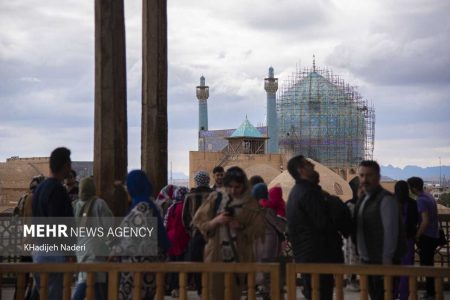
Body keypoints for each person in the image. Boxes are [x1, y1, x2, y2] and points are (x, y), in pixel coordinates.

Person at [192, 166, 265, 300]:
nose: (233, 191)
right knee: (214, 293)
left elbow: (258, 228)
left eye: (237, 187)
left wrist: (240, 226)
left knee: (234, 293)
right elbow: (199, 221)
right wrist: (216, 221)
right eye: (230, 187)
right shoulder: (216, 198)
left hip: (239, 256)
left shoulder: (250, 203)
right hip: (215, 255)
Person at [285, 155, 341, 300]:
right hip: (318, 259)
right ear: (301, 170)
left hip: (308, 258)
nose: (312, 165)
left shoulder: (296, 192)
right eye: (307, 163)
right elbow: (322, 223)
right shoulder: (308, 193)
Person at [111, 170, 170, 300]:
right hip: (148, 268)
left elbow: (131, 237)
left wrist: (113, 250)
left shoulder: (141, 207)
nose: (127, 190)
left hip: (137, 271)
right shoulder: (149, 204)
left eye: (128, 186)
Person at [31, 147, 74, 300]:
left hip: (39, 252)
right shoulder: (58, 191)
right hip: (54, 254)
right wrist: (70, 252)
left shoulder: (39, 189)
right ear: (65, 165)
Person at [355, 160, 400, 300]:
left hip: (382, 264)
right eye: (361, 175)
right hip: (368, 262)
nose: (364, 179)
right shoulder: (364, 199)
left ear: (378, 177)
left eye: (369, 175)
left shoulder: (386, 200)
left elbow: (390, 234)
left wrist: (385, 265)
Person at [72, 177, 113, 300]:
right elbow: (109, 225)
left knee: (84, 280)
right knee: (96, 285)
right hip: (97, 250)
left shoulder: (76, 205)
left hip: (80, 249)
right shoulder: (100, 203)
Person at [407, 176, 439, 300]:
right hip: (434, 235)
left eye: (410, 187)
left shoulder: (421, 200)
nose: (409, 190)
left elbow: (425, 221)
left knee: (427, 267)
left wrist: (417, 235)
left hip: (427, 237)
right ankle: (432, 292)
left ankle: (431, 293)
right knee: (429, 265)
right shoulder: (429, 196)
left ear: (414, 188)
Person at [182, 171, 213, 294]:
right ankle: (209, 288)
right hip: (211, 234)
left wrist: (191, 231)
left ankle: (200, 289)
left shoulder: (189, 196)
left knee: (196, 261)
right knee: (210, 261)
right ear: (208, 180)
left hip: (195, 234)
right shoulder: (214, 195)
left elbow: (184, 218)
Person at [394, 180, 418, 300]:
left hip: (393, 241)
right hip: (408, 240)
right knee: (407, 268)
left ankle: (392, 294)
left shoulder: (391, 202)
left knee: (394, 268)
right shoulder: (413, 203)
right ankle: (404, 295)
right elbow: (416, 222)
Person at [165, 186, 190, 298]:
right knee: (182, 266)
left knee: (173, 265)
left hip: (171, 239)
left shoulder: (172, 207)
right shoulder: (186, 207)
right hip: (182, 239)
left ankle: (172, 288)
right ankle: (180, 288)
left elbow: (166, 224)